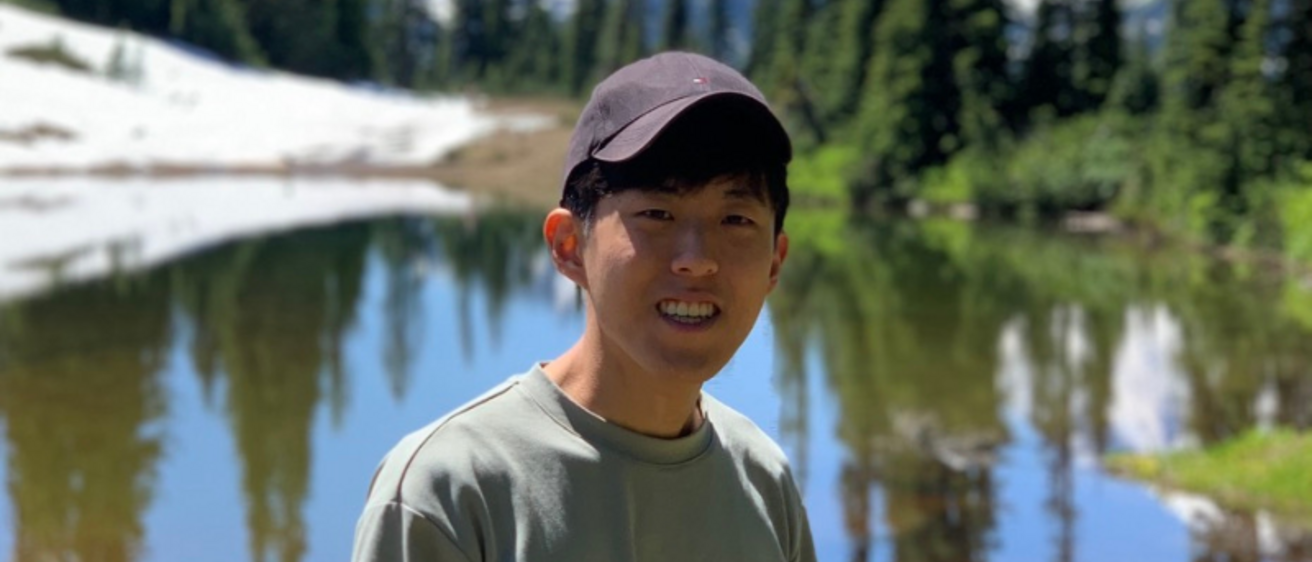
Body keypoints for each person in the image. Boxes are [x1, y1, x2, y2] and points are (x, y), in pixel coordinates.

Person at [352, 51, 816, 562]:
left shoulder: (764, 482)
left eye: (736, 220)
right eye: (657, 213)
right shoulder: (451, 491)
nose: (697, 260)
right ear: (569, 246)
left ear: (775, 262)